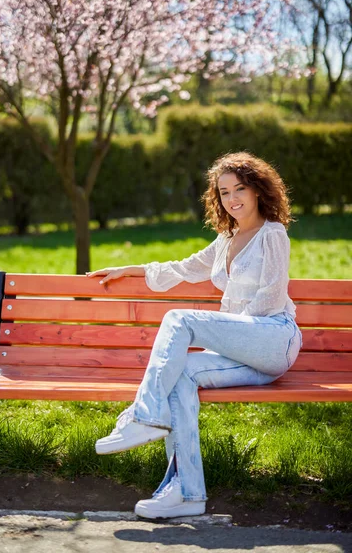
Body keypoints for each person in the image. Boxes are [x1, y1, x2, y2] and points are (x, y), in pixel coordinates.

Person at [85, 151, 303, 520]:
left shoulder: (273, 234)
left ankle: (143, 416)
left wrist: (222, 337)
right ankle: (187, 493)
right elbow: (183, 268)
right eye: (223, 192)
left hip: (273, 339)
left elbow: (269, 301)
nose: (232, 198)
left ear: (258, 190)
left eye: (240, 189)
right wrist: (130, 268)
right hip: (248, 356)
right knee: (180, 373)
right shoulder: (226, 240)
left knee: (179, 319)